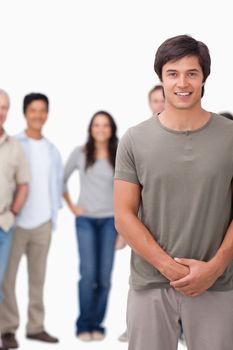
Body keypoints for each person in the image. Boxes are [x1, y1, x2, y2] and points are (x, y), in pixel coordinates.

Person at [114, 34, 233, 350]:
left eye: (192, 73)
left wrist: (215, 267)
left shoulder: (231, 137)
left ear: (204, 77)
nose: (183, 82)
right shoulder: (134, 140)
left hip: (217, 284)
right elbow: (124, 216)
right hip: (150, 283)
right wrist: (168, 267)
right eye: (173, 73)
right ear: (161, 78)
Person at [0, 93, 63, 349]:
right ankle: (7, 329)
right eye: (33, 110)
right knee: (7, 280)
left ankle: (35, 326)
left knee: (38, 279)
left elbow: (56, 184)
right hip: (14, 224)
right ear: (25, 113)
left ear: (47, 114)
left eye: (42, 110)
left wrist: (54, 214)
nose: (38, 115)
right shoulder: (14, 143)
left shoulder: (52, 150)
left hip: (42, 224)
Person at [63, 111, 118, 342]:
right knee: (88, 274)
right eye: (97, 125)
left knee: (104, 277)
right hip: (85, 221)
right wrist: (72, 207)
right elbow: (61, 180)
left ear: (111, 129)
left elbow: (130, 188)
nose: (101, 129)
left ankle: (97, 324)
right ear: (90, 128)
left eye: (105, 125)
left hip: (110, 222)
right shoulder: (81, 153)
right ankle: (83, 324)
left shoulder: (119, 154)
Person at [118, 84, 166, 343]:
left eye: (162, 100)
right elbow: (131, 196)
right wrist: (127, 228)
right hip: (145, 225)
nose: (160, 104)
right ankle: (135, 325)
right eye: (155, 100)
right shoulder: (138, 139)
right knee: (142, 277)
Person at [0, 89, 30, 350]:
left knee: (3, 280)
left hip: (4, 224)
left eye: (4, 107)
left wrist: (14, 211)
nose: (1, 112)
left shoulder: (15, 147)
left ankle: (7, 330)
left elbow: (23, 183)